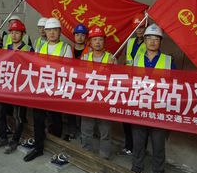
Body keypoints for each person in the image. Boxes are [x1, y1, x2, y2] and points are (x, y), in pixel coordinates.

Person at [131, 24, 175, 173]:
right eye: (149, 38)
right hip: (139, 107)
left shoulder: (168, 61)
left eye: (156, 39)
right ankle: (137, 167)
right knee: (138, 141)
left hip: (159, 109)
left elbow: (176, 84)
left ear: (160, 42)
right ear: (145, 40)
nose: (152, 42)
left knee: (158, 144)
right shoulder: (136, 59)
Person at [25, 17, 72, 162]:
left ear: (60, 32)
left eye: (55, 30)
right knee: (38, 119)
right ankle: (38, 148)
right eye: (49, 30)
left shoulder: (66, 48)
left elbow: (68, 70)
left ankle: (55, 147)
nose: (52, 33)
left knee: (56, 119)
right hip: (42, 88)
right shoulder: (41, 47)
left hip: (57, 89)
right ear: (45, 31)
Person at [0, 19, 33, 153]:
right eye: (12, 32)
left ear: (23, 34)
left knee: (18, 115)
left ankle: (15, 140)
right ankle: (3, 137)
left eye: (17, 32)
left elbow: (32, 68)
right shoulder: (5, 48)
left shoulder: (29, 49)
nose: (14, 35)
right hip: (5, 86)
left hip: (20, 88)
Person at [80, 26, 115, 159]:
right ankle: (86, 154)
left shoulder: (111, 58)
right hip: (88, 99)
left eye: (100, 39)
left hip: (104, 100)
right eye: (95, 40)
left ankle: (104, 157)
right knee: (86, 130)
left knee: (105, 131)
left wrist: (113, 68)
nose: (98, 42)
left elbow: (116, 81)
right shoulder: (85, 58)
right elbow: (79, 78)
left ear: (104, 41)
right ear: (90, 42)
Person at [120, 16, 148, 155]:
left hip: (141, 85)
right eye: (137, 27)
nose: (139, 30)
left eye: (142, 27)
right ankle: (128, 145)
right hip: (128, 83)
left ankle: (139, 149)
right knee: (126, 116)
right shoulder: (129, 42)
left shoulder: (149, 42)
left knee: (138, 119)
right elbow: (126, 59)